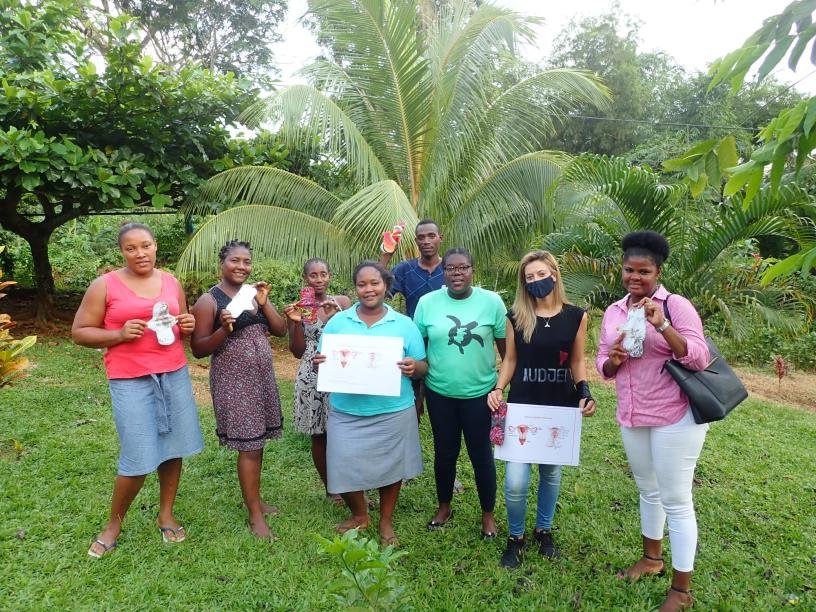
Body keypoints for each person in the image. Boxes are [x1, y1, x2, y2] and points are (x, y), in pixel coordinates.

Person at [72, 222, 204, 557]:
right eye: (131, 248)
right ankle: (113, 524)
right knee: (137, 453)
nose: (139, 253)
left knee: (173, 446)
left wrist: (187, 324)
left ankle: (166, 513)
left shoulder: (171, 282)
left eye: (145, 245)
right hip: (130, 378)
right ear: (122, 252)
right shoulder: (105, 285)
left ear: (155, 245)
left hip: (172, 372)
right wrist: (116, 334)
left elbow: (179, 322)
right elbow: (80, 332)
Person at [596, 231, 710, 612]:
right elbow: (603, 365)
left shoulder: (675, 305)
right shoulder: (614, 311)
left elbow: (697, 357)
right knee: (648, 490)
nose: (635, 277)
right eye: (629, 270)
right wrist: (613, 359)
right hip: (632, 413)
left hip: (674, 416)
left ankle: (681, 589)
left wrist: (662, 326)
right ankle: (651, 558)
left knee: (676, 499)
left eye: (644, 271)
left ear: (658, 272)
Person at [487, 251, 596, 569]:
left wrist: (584, 392)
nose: (536, 281)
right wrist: (498, 389)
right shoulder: (516, 316)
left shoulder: (577, 316)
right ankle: (515, 537)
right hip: (522, 405)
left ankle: (543, 530)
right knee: (516, 481)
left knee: (550, 473)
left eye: (541, 274)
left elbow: (577, 360)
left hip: (559, 406)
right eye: (529, 277)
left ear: (554, 274)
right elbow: (510, 360)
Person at [313, 261, 427, 546]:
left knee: (392, 466)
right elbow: (321, 361)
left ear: (385, 285)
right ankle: (360, 514)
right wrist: (320, 364)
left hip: (393, 409)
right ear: (355, 288)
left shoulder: (404, 324)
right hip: (347, 410)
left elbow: (424, 365)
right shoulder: (338, 322)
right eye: (362, 284)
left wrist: (415, 367)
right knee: (342, 462)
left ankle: (386, 521)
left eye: (374, 283)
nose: (368, 289)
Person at [190, 240, 287, 539]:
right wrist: (224, 329)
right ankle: (255, 515)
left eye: (247, 261)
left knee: (256, 442)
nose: (242, 267)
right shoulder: (210, 301)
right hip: (234, 381)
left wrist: (264, 300)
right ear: (222, 263)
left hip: (260, 377)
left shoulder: (252, 295)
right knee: (250, 445)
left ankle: (255, 500)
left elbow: (281, 330)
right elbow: (197, 349)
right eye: (235, 260)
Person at [413, 248, 506, 538]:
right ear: (443, 272)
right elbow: (418, 353)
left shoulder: (492, 303)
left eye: (463, 267)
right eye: (451, 269)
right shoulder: (427, 304)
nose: (457, 273)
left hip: (481, 395)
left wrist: (501, 389)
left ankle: (487, 515)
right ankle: (444, 506)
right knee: (444, 454)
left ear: (472, 270)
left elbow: (507, 353)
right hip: (440, 393)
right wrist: (419, 397)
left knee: (481, 456)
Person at [282, 258, 351, 504]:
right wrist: (295, 322)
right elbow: (298, 350)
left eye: (323, 274)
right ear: (306, 279)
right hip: (311, 374)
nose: (319, 279)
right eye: (313, 275)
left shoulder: (342, 303)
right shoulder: (301, 308)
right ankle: (331, 488)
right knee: (319, 434)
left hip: (341, 371)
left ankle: (351, 487)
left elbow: (352, 336)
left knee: (345, 431)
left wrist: (335, 316)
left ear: (330, 276)